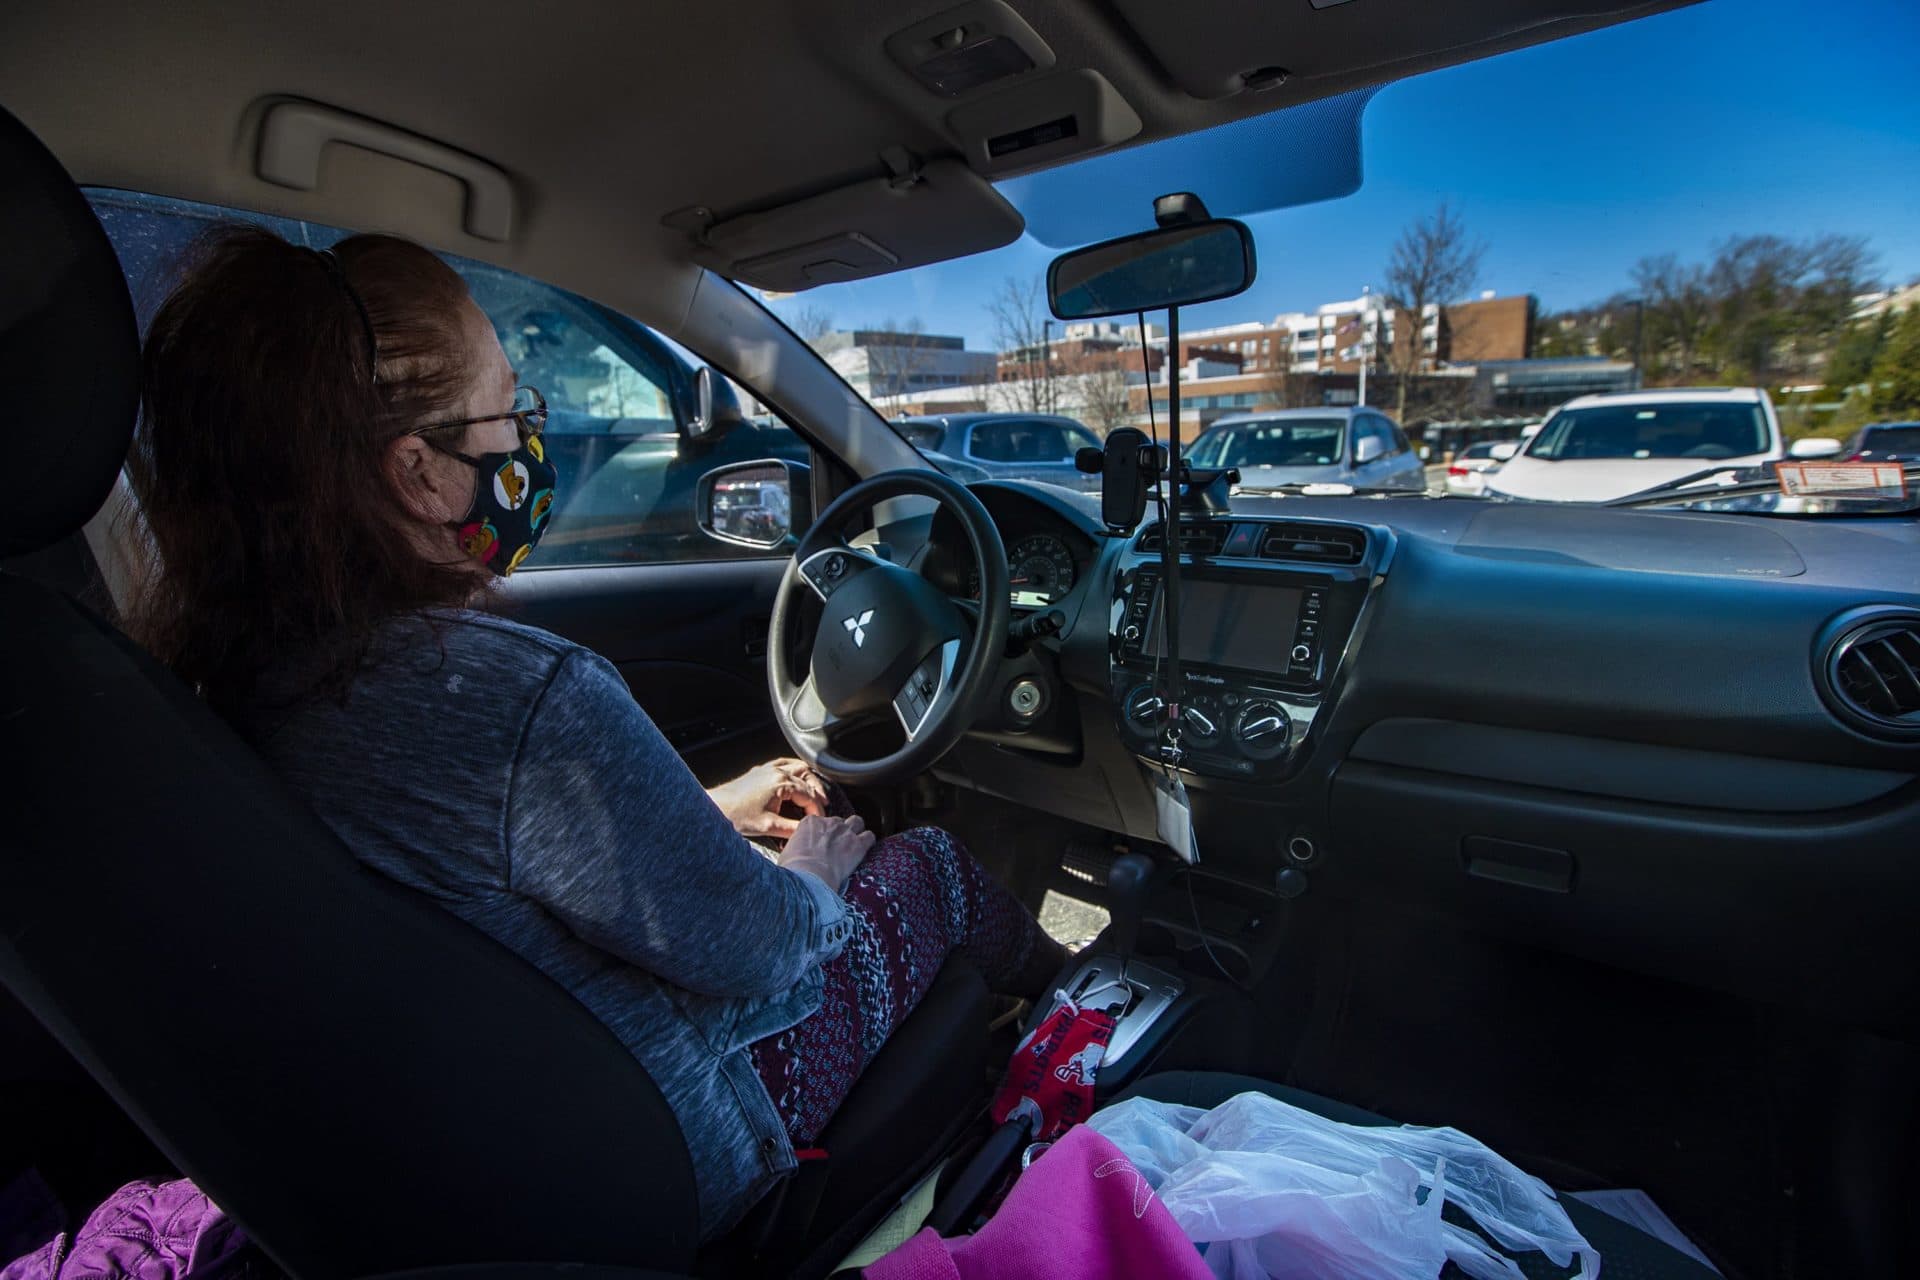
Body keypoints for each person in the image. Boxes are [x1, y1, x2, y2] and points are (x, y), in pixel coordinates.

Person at [126, 225, 1066, 1239]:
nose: (524, 442)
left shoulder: (227, 686)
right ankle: (1102, 1024)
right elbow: (761, 949)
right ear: (418, 472)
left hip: (476, 1158)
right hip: (684, 1135)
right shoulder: (519, 698)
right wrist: (817, 867)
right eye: (508, 411)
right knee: (925, 864)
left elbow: (474, 882)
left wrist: (705, 814)